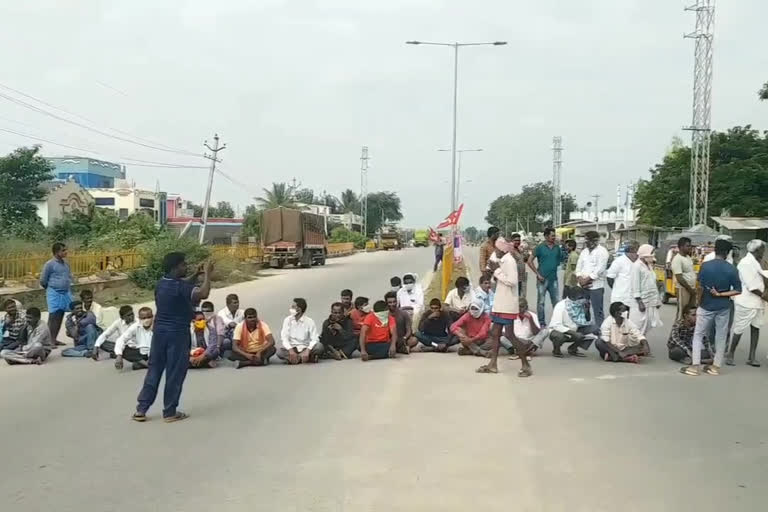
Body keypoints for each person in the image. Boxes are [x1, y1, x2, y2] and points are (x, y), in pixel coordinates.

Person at [133, 254, 213, 423]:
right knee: (175, 373)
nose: (186, 267)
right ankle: (170, 411)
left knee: (154, 370)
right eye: (184, 265)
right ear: (175, 267)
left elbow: (182, 285)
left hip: (160, 332)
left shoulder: (161, 284)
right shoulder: (180, 287)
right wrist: (207, 274)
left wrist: (195, 276)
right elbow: (203, 293)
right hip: (177, 333)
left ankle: (141, 409)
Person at [680, 239, 741, 377]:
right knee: (721, 336)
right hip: (724, 307)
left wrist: (698, 303)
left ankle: (695, 367)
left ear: (715, 250)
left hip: (706, 305)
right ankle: (715, 367)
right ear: (727, 253)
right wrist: (721, 294)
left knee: (698, 335)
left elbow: (700, 287)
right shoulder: (732, 269)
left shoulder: (705, 266)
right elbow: (738, 290)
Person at [477, 237, 530, 376]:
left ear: (503, 250)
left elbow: (512, 281)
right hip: (499, 301)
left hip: (507, 302)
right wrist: (490, 270)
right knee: (495, 333)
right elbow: (491, 267)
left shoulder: (509, 261)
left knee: (510, 335)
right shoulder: (497, 256)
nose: (495, 252)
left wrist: (497, 272)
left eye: (498, 250)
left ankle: (526, 365)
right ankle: (493, 364)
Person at [726, 239, 768, 367]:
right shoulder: (746, 263)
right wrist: (765, 296)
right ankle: (731, 354)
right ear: (757, 250)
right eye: (763, 249)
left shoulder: (758, 261)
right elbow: (752, 286)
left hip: (757, 301)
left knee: (756, 328)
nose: (764, 251)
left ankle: (752, 357)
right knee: (739, 328)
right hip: (747, 301)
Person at [549, 286, 599, 358]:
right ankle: (556, 350)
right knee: (558, 336)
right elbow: (556, 325)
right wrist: (573, 333)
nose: (582, 299)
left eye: (583, 297)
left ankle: (573, 348)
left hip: (575, 329)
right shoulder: (561, 306)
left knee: (595, 329)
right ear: (572, 297)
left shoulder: (581, 304)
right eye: (580, 298)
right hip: (560, 331)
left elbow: (587, 321)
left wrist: (587, 310)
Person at [529, 227, 564, 325]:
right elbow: (529, 261)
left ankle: (557, 322)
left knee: (556, 302)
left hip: (554, 280)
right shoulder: (539, 247)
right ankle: (542, 323)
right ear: (546, 236)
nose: (554, 237)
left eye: (554, 235)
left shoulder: (557, 248)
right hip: (542, 280)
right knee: (541, 302)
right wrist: (538, 274)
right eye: (552, 236)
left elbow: (559, 261)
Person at [40, 242, 73, 345]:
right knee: (53, 316)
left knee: (60, 315)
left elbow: (67, 277)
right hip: (54, 292)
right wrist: (52, 289)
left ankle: (54, 338)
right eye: (63, 250)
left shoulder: (66, 264)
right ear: (56, 252)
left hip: (65, 293)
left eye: (66, 250)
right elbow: (43, 280)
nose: (65, 252)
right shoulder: (49, 264)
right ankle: (48, 341)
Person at [575, 231, 610, 327]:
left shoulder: (602, 251)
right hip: (582, 285)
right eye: (585, 241)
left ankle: (600, 332)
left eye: (588, 241)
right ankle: (585, 328)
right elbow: (578, 267)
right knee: (582, 308)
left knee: (597, 310)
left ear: (595, 241)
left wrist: (587, 280)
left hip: (596, 286)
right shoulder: (584, 251)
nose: (586, 243)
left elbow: (600, 269)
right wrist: (579, 278)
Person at [277, 298, 323, 364]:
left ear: (299, 310)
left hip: (305, 347)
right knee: (279, 352)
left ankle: (295, 359)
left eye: (293, 307)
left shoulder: (309, 321)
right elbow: (284, 338)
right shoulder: (287, 320)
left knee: (319, 346)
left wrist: (308, 350)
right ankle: (305, 358)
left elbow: (315, 339)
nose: (291, 308)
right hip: (293, 348)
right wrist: (290, 350)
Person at [630, 244, 663, 336]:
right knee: (638, 325)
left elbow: (652, 282)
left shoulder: (649, 265)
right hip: (641, 300)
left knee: (648, 323)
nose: (653, 256)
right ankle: (635, 346)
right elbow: (635, 285)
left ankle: (641, 343)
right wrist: (639, 301)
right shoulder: (636, 266)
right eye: (651, 254)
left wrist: (657, 300)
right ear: (645, 254)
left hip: (651, 299)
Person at [115, 307, 155, 371]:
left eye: (149, 317)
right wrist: (119, 356)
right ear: (139, 318)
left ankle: (143, 364)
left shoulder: (158, 325)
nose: (147, 320)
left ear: (152, 317)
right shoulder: (135, 326)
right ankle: (147, 364)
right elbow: (121, 339)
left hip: (155, 352)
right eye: (143, 318)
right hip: (142, 353)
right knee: (124, 350)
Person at [606, 240, 639, 309]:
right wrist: (617, 289)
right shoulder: (619, 261)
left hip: (633, 299)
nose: (637, 255)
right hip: (620, 298)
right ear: (630, 251)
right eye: (636, 252)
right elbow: (609, 277)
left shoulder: (638, 262)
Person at [671, 237, 697, 319]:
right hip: (683, 289)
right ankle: (677, 330)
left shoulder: (688, 257)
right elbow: (679, 278)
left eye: (690, 246)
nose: (690, 248)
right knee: (682, 313)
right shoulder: (677, 259)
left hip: (691, 288)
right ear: (681, 247)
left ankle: (685, 331)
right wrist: (690, 290)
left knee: (689, 313)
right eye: (688, 246)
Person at [510, 233, 530, 300]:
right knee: (514, 298)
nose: (517, 242)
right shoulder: (510, 251)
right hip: (514, 278)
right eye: (515, 240)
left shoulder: (519, 250)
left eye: (519, 240)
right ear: (512, 241)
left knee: (520, 297)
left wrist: (526, 254)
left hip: (521, 277)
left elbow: (525, 260)